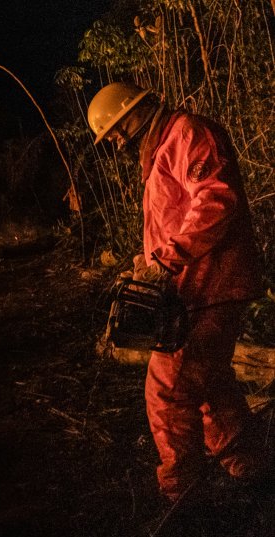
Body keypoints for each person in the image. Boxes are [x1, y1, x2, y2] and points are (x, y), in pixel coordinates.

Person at [88, 82, 269, 503]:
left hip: (212, 283)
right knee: (210, 382)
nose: (116, 141)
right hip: (196, 285)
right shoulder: (162, 148)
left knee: (169, 390)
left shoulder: (187, 133)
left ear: (135, 111)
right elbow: (174, 219)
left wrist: (168, 259)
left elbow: (215, 201)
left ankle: (182, 499)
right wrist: (147, 262)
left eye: (115, 130)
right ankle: (251, 472)